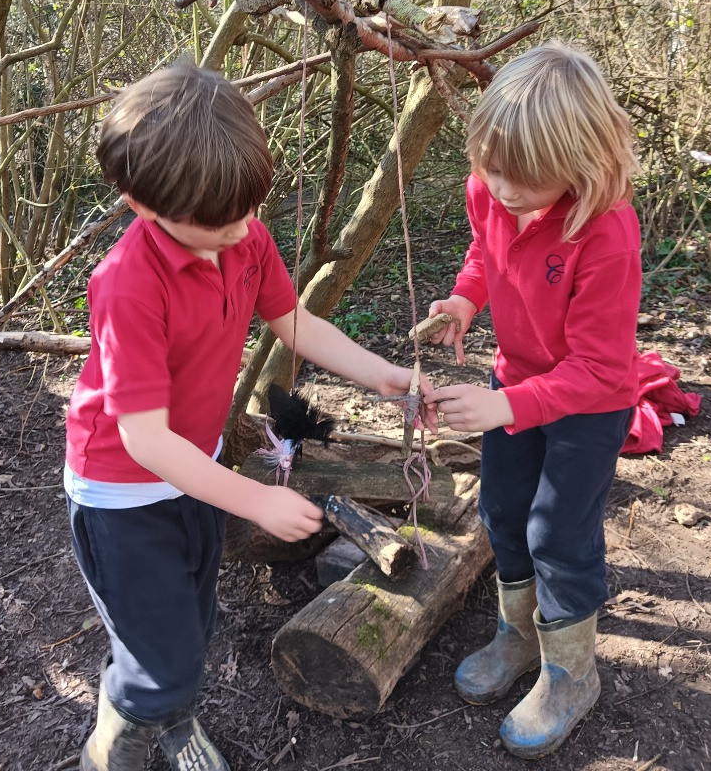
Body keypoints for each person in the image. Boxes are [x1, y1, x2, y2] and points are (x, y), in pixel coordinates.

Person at [65, 64, 434, 771]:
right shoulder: (127, 284)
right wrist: (256, 498)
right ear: (138, 202)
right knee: (161, 653)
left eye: (243, 214)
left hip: (193, 472)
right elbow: (142, 440)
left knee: (189, 619)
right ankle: (120, 736)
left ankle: (167, 713)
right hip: (121, 492)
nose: (236, 233)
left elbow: (292, 321)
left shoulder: (243, 238)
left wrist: (380, 374)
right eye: (212, 224)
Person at [422, 41, 641, 759]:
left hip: (587, 403)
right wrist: (462, 300)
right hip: (514, 386)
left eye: (525, 179)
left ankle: (570, 673)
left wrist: (505, 408)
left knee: (558, 532)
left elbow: (600, 369)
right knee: (502, 512)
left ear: (579, 165)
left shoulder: (604, 233)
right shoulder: (488, 187)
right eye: (492, 168)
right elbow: (485, 253)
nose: (503, 190)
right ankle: (517, 638)